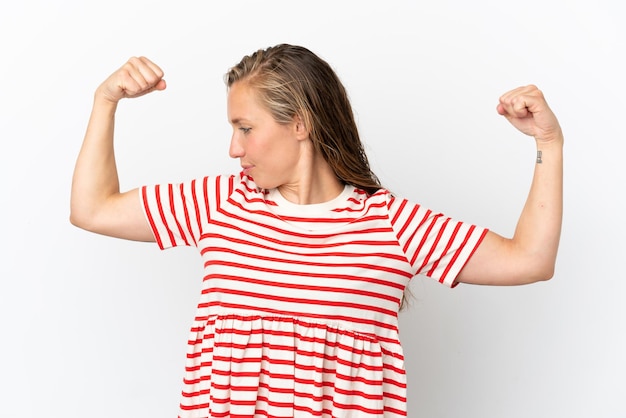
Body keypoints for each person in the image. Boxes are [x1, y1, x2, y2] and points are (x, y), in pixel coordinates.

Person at [70, 44, 563, 417]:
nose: (234, 149)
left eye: (245, 127)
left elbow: (530, 260)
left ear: (300, 123)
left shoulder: (391, 224)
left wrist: (548, 142)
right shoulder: (221, 202)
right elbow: (92, 209)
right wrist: (105, 100)